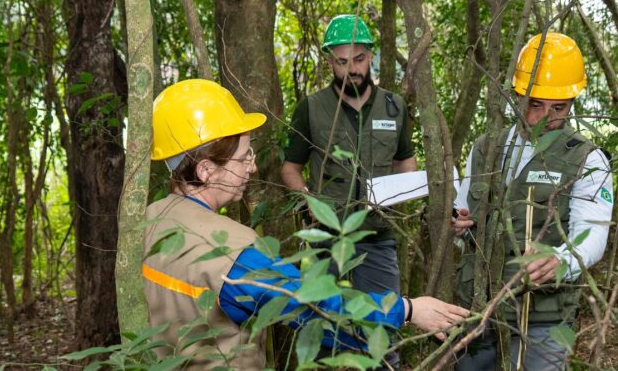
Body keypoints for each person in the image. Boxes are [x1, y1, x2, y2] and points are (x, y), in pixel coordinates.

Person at [143, 79, 469, 370]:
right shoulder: (229, 250)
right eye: (244, 157)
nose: (252, 168)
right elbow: (315, 310)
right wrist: (406, 310)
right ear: (206, 171)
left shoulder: (149, 220)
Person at [451, 32, 614, 370]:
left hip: (543, 316)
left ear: (571, 102)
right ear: (517, 96)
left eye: (559, 107)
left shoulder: (587, 159)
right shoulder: (486, 147)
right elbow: (463, 209)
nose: (545, 118)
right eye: (535, 104)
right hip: (478, 307)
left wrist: (562, 260)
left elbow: (593, 233)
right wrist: (458, 222)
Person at [281, 14, 416, 297]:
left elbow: (405, 160)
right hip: (326, 241)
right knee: (324, 325)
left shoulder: (394, 107)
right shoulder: (312, 108)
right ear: (330, 62)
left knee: (382, 319)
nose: (352, 68)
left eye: (359, 59)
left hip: (377, 239)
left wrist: (403, 194)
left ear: (369, 56)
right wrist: (308, 200)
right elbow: (291, 168)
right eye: (342, 62)